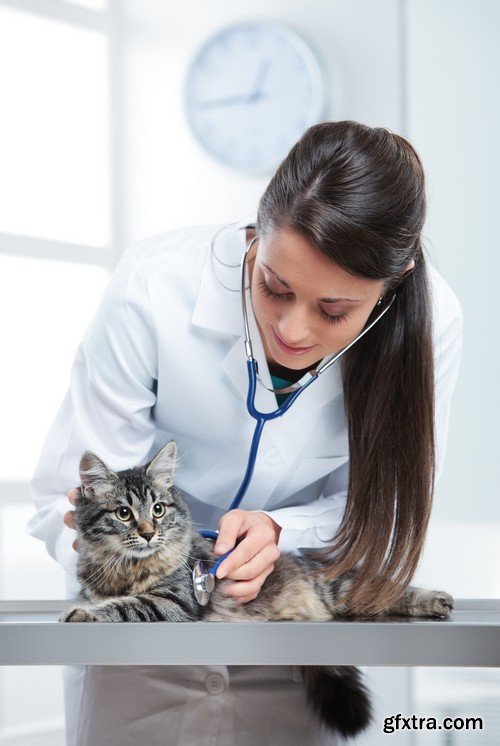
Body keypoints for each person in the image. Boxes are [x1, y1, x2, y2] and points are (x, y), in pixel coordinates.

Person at [27, 120, 462, 746]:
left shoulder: (431, 323)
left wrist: (283, 532)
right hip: (145, 635)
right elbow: (63, 503)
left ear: (392, 285)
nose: (293, 330)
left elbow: (385, 512)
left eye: (334, 311)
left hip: (294, 631)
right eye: (274, 287)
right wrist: (157, 567)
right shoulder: (155, 286)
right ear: (256, 234)